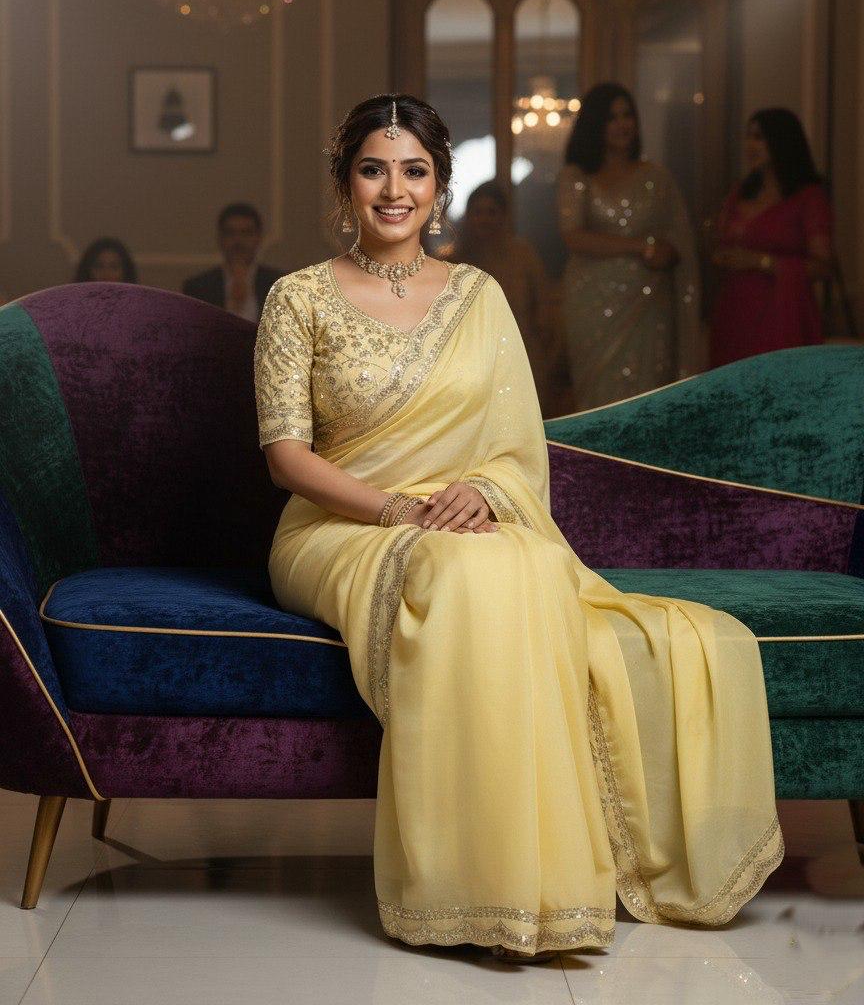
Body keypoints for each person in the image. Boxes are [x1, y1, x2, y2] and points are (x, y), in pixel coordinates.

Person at [253, 93, 781, 962]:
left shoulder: (478, 296)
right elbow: (286, 457)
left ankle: (545, 889)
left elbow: (513, 447)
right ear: (345, 183)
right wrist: (396, 510)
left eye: (414, 171)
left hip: (461, 512)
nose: (395, 190)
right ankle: (469, 895)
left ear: (441, 185)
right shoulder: (300, 298)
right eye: (374, 169)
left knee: (522, 571)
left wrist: (485, 494)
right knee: (464, 577)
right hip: (337, 527)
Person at [556, 82, 701, 411]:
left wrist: (664, 250)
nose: (622, 124)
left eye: (627, 115)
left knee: (648, 394)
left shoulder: (656, 177)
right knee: (599, 397)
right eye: (611, 118)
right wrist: (642, 247)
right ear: (596, 125)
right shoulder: (578, 175)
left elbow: (679, 237)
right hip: (592, 304)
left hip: (649, 301)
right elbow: (573, 235)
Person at [709, 108, 833, 367]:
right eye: (748, 136)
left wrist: (761, 262)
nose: (750, 145)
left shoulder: (808, 197)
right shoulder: (742, 192)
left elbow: (823, 266)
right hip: (735, 310)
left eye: (759, 137)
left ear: (781, 141)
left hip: (781, 315)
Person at [448, 180, 553, 409]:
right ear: (468, 216)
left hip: (522, 355)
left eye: (491, 212)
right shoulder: (453, 261)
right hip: (469, 362)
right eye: (478, 212)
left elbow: (543, 306)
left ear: (504, 217)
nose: (484, 219)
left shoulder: (523, 254)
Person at [183, 202, 282, 322]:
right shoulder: (197, 287)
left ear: (259, 237)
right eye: (230, 233)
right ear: (220, 238)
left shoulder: (280, 285)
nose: (238, 241)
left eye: (246, 233)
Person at [74, 237, 138, 284]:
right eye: (99, 267)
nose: (106, 274)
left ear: (125, 271)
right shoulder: (73, 300)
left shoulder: (137, 301)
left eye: (114, 267)